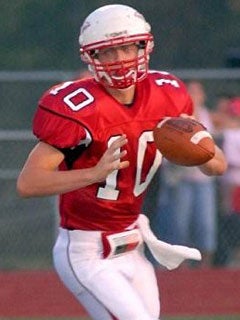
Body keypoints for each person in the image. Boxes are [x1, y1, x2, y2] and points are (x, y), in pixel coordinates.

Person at [16, 4, 227, 320]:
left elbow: (217, 164)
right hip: (87, 251)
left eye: (127, 47)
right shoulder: (77, 105)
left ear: (144, 45)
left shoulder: (168, 93)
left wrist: (199, 155)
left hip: (133, 245)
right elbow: (28, 183)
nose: (119, 60)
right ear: (91, 57)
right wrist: (93, 172)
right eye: (108, 52)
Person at [152, 81, 219, 268]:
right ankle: (180, 270)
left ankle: (206, 271)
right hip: (180, 179)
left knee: (205, 226)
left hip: (203, 180)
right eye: (191, 92)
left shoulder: (206, 114)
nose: (194, 95)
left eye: (197, 91)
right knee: (178, 226)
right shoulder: (173, 118)